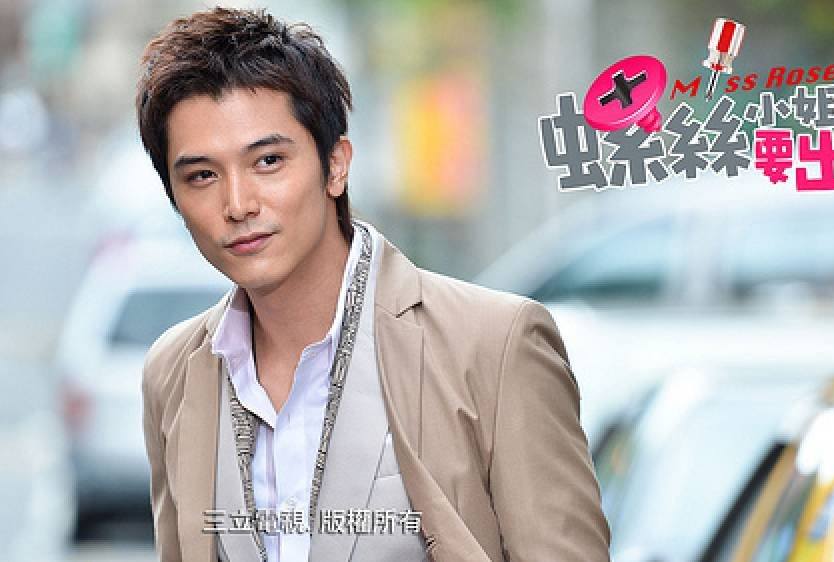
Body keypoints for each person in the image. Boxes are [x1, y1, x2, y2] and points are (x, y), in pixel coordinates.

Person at [136, 7, 610, 562]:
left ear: (336, 165)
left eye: (268, 161)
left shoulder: (494, 346)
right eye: (202, 176)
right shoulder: (174, 373)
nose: (238, 204)